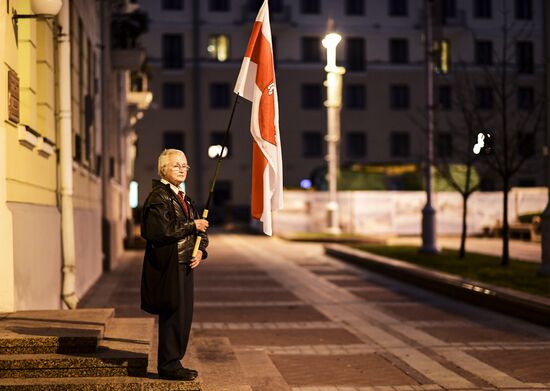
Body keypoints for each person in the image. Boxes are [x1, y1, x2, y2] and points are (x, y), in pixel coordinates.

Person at [140, 149, 209, 381]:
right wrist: (193, 225)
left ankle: (175, 361)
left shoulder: (184, 198)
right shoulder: (158, 197)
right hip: (169, 265)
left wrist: (201, 250)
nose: (182, 169)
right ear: (163, 170)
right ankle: (168, 365)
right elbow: (160, 231)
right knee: (172, 314)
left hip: (185, 263)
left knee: (183, 316)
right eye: (176, 165)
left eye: (185, 166)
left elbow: (202, 231)